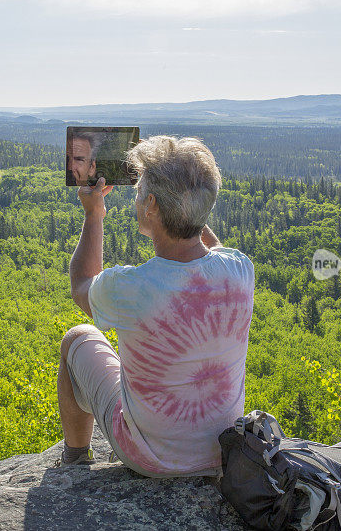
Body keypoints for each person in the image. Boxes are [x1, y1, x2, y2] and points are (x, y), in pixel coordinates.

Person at [57, 135, 255, 477]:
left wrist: (94, 214)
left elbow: (81, 286)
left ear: (150, 206)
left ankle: (75, 462)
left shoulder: (134, 288)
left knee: (77, 338)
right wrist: (189, 208)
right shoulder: (240, 272)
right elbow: (217, 251)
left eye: (138, 193)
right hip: (222, 452)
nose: (135, 200)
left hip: (148, 457)